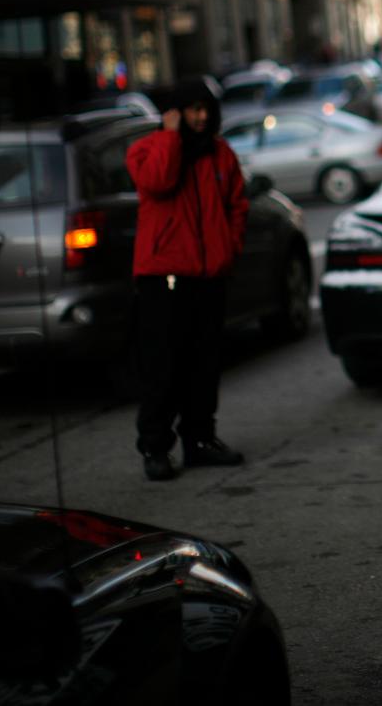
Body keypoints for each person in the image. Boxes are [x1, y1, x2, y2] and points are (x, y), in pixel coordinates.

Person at [126, 76, 249, 481]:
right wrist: (169, 135)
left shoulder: (221, 155)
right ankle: (156, 448)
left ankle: (200, 440)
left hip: (209, 276)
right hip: (163, 278)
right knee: (163, 367)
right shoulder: (147, 150)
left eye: (205, 110)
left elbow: (237, 205)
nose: (200, 117)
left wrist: (228, 249)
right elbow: (158, 182)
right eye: (191, 110)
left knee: (204, 365)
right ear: (175, 113)